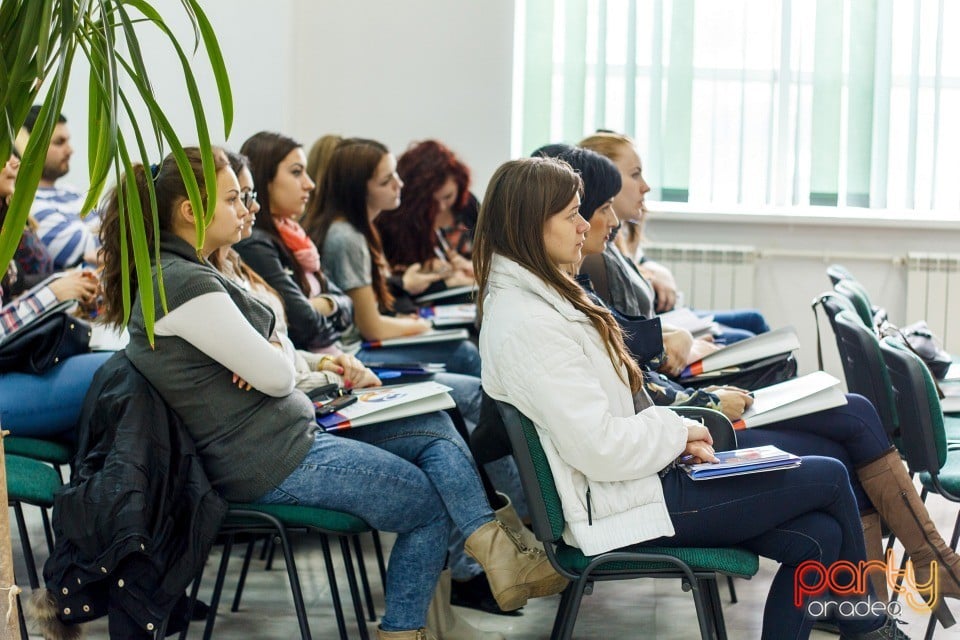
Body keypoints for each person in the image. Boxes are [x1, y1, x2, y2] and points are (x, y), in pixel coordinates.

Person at [96, 146, 567, 640]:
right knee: (425, 504)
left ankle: (501, 556)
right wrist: (272, 355)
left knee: (435, 422)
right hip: (267, 458)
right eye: (234, 198)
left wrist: (291, 358)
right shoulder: (182, 282)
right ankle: (414, 624)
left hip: (287, 432)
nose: (245, 209)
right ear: (191, 212)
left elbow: (275, 360)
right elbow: (277, 374)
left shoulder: (195, 272)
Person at [474, 156, 910, 640]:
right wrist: (679, 429)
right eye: (572, 214)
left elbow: (608, 422)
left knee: (820, 538)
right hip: (626, 504)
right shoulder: (531, 323)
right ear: (531, 225)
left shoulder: (535, 302)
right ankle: (870, 627)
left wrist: (678, 434)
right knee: (828, 476)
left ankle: (867, 626)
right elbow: (598, 445)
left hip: (636, 487)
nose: (586, 225)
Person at [547, 143, 960, 613]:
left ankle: (897, 588)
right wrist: (702, 402)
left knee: (855, 418)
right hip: (688, 434)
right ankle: (895, 590)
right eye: (593, 209)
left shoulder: (589, 275)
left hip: (685, 419)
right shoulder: (572, 292)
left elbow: (635, 375)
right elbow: (635, 390)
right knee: (847, 439)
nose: (603, 219)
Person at [236, 133, 528, 616]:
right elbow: (317, 323)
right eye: (294, 171)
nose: (307, 183)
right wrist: (337, 308)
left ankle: (499, 545)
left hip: (334, 368)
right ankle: (510, 539)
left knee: (460, 407)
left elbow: (338, 311)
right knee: (461, 402)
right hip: (330, 381)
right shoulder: (278, 244)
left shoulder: (301, 239)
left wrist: (332, 306)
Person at [301, 136, 482, 378]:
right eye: (387, 181)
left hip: (360, 346)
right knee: (465, 355)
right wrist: (422, 325)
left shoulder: (360, 230)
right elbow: (372, 327)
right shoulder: (347, 237)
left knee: (465, 350)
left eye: (395, 175)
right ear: (359, 192)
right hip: (355, 354)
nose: (399, 185)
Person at [579, 131, 770, 343]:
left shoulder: (620, 231)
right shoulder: (595, 249)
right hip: (663, 326)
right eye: (635, 175)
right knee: (749, 334)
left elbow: (641, 261)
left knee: (754, 322)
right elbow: (628, 333)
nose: (646, 186)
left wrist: (657, 272)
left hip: (667, 320)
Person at [0, 148, 109, 439]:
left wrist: (62, 290)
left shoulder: (8, 225)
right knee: (122, 370)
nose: (14, 161)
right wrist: (54, 292)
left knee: (109, 413)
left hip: (13, 374)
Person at [374, 139, 476, 297]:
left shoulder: (468, 205)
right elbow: (394, 284)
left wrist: (473, 269)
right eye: (432, 202)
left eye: (448, 196)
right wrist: (442, 277)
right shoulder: (395, 221)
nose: (441, 207)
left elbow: (492, 259)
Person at [16, 106, 100, 269]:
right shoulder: (27, 205)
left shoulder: (72, 192)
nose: (70, 150)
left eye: (68, 141)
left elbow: (116, 229)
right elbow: (78, 244)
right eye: (59, 142)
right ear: (30, 146)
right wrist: (101, 229)